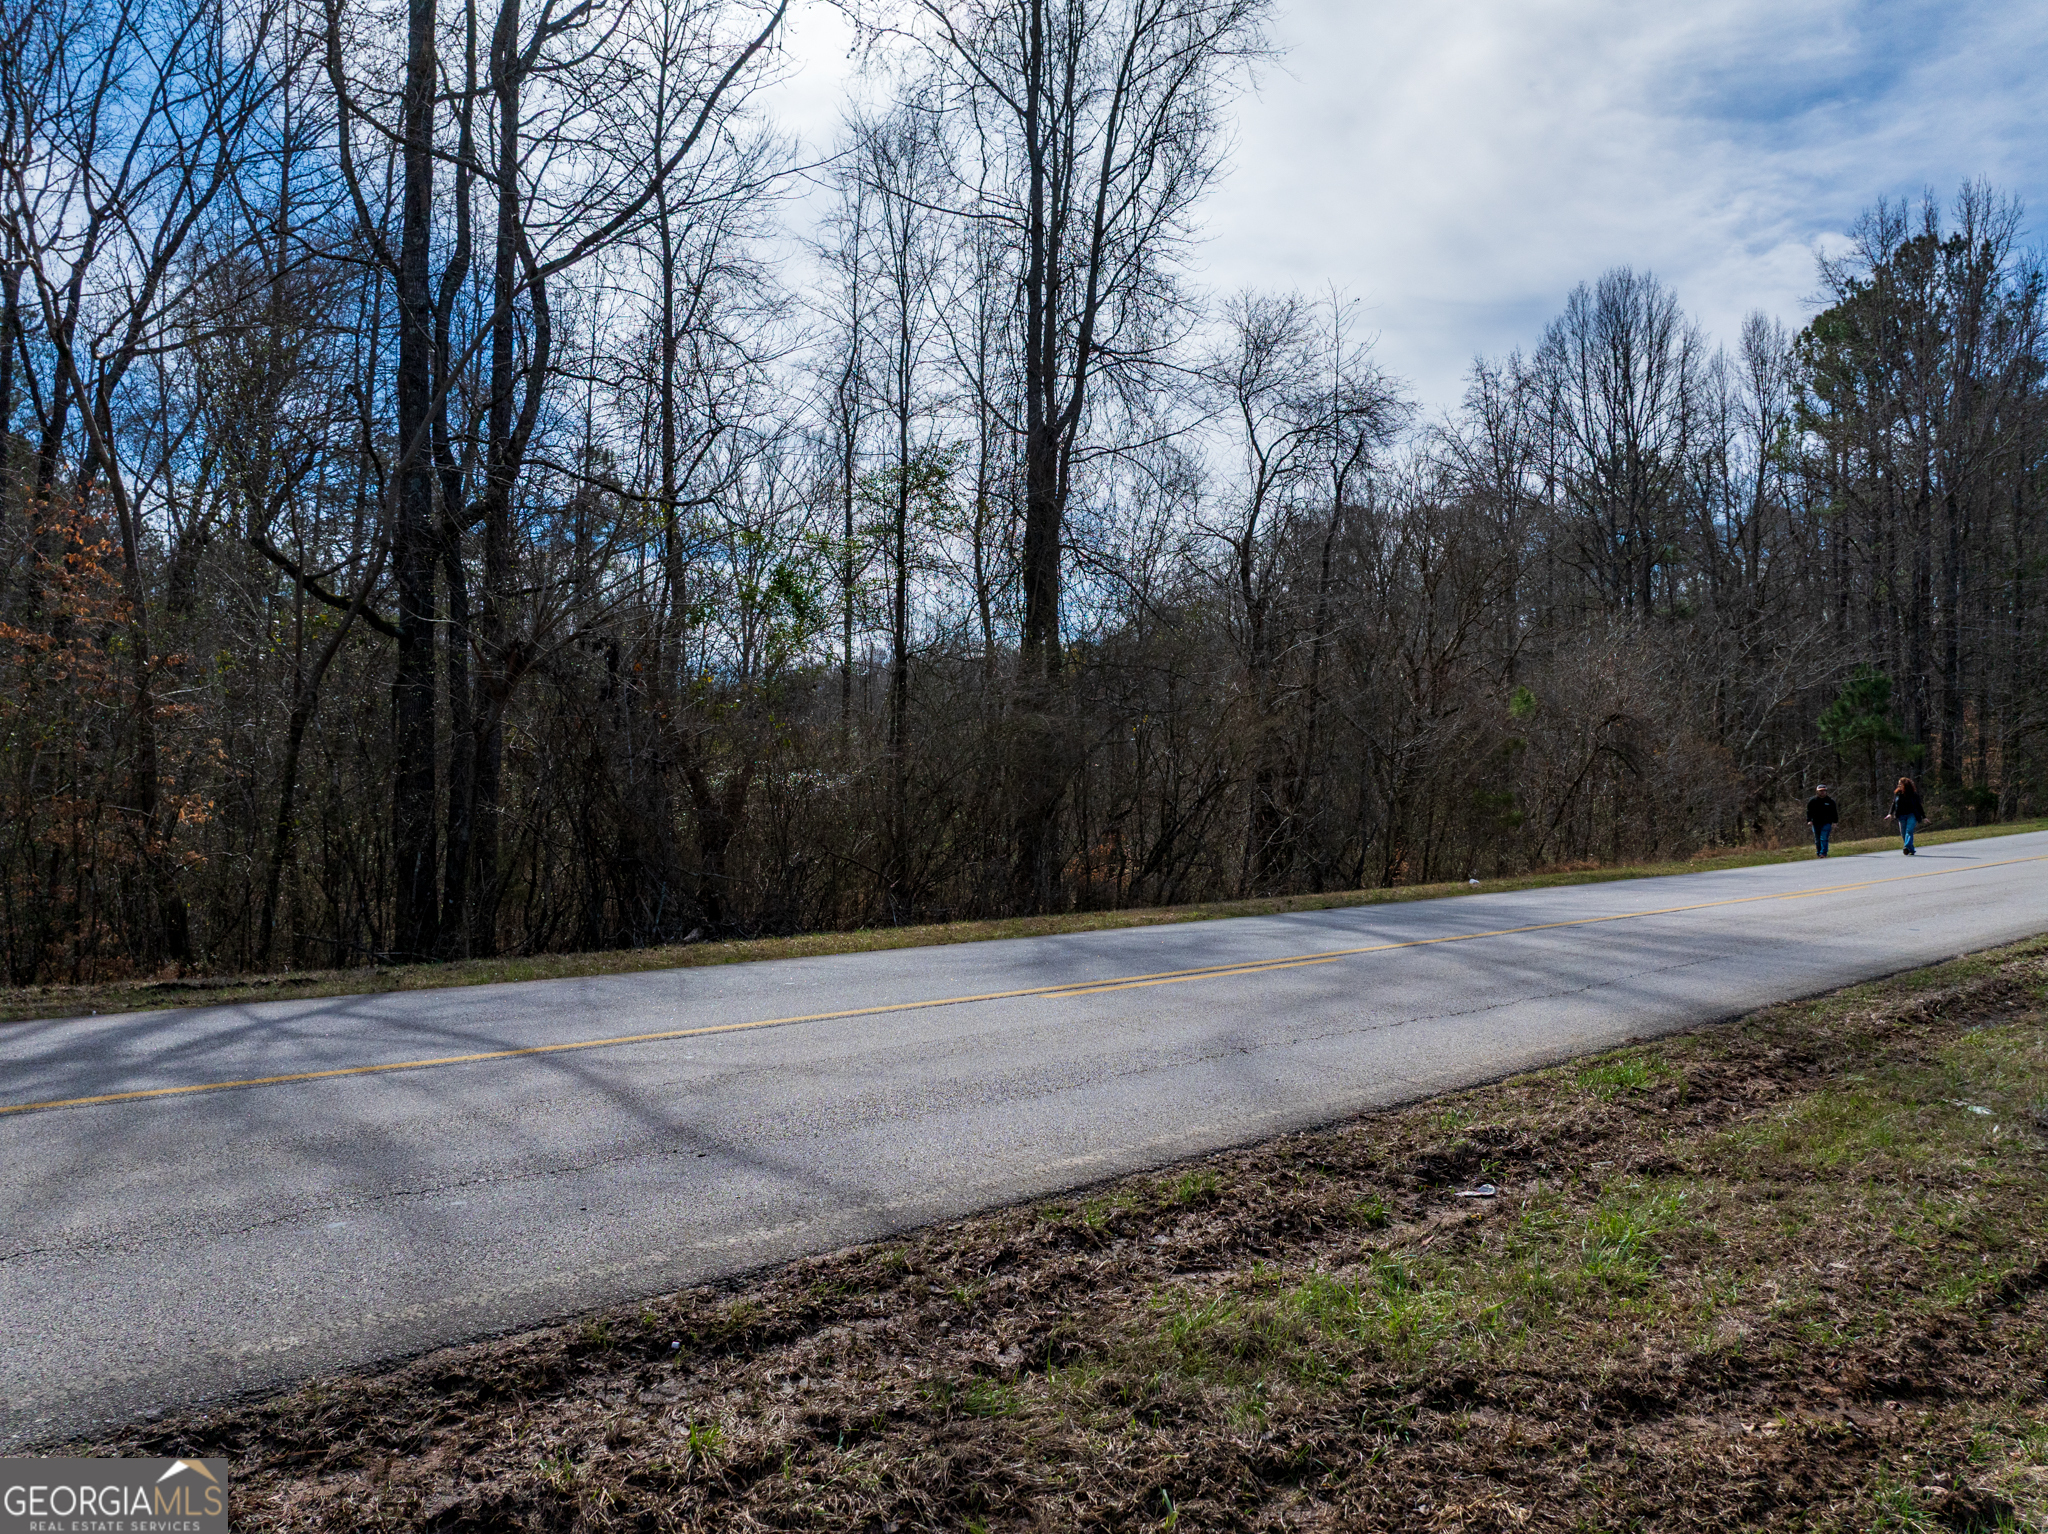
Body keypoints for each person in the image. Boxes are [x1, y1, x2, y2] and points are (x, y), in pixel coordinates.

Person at [1886, 775, 1925, 855]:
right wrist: (1890, 813)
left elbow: (1919, 806)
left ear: (1905, 785)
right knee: (1903, 834)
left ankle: (1906, 846)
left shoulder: (1913, 794)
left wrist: (1924, 817)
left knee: (1909, 831)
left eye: (1900, 784)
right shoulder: (1897, 794)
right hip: (1901, 816)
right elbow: (1894, 804)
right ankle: (1911, 849)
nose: (1898, 786)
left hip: (1912, 815)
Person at [1805, 784, 1839, 857]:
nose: (1822, 792)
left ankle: (1823, 853)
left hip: (1827, 823)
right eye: (1821, 791)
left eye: (1824, 791)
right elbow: (1809, 812)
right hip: (1816, 823)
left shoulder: (1830, 801)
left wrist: (1835, 822)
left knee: (1824, 838)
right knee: (1817, 840)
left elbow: (1834, 812)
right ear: (1817, 791)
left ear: (1826, 791)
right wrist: (1809, 820)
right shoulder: (1813, 801)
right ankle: (1819, 852)